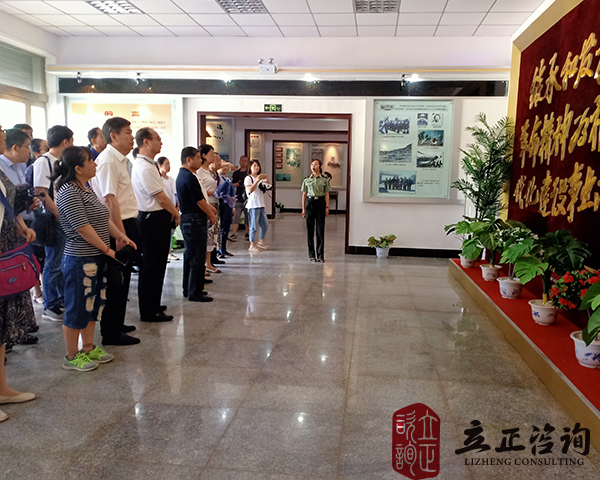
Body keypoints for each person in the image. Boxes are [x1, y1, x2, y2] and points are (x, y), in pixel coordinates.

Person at [53, 146, 137, 372]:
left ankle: (89, 348)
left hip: (95, 257)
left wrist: (120, 236)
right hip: (80, 259)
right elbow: (82, 227)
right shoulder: (68, 191)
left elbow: (102, 218)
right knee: (77, 306)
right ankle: (72, 355)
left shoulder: (86, 188)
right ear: (78, 168)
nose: (95, 164)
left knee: (92, 304)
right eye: (90, 161)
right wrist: (107, 250)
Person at [91, 117, 140, 345]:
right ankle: (111, 333)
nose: (132, 137)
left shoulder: (119, 160)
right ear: (113, 136)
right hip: (116, 227)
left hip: (125, 223)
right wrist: (120, 236)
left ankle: (117, 323)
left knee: (124, 278)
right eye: (128, 132)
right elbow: (109, 200)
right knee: (115, 280)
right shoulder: (108, 160)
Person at [0, 125, 37, 422]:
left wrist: (21, 227)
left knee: (2, 323)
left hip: (6, 247)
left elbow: (7, 206)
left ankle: (2, 388)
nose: (3, 136)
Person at [131, 128, 179, 323]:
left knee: (158, 264)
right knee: (152, 265)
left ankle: (153, 303)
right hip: (152, 218)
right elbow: (160, 197)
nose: (161, 142)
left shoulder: (148, 164)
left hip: (155, 217)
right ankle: (149, 310)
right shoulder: (144, 167)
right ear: (146, 142)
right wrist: (176, 213)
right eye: (157, 139)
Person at [0, 130, 42, 337]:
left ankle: (17, 332)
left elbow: (10, 203)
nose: (4, 138)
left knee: (14, 282)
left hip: (11, 234)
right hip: (4, 237)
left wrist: (22, 225)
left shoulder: (15, 168)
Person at [33, 125, 73, 323]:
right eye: (71, 141)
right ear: (65, 142)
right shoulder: (44, 161)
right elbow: (40, 192)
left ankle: (59, 299)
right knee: (53, 262)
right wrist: (58, 213)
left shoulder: (61, 162)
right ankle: (49, 306)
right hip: (53, 219)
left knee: (61, 261)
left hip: (63, 217)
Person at [176, 147, 217, 302]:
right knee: (197, 257)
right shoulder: (189, 177)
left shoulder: (183, 175)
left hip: (189, 218)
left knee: (190, 256)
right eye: (198, 157)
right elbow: (199, 201)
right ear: (189, 160)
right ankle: (195, 292)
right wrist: (211, 214)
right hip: (194, 219)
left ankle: (188, 288)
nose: (201, 160)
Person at [196, 144, 221, 274]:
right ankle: (205, 263)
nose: (213, 156)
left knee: (213, 235)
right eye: (211, 153)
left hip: (215, 204)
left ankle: (209, 261)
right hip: (207, 205)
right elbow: (200, 192)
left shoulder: (210, 171)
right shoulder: (199, 172)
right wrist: (214, 193)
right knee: (207, 235)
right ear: (204, 155)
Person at [301, 159, 331, 263]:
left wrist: (327, 207)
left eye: (316, 164)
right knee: (310, 231)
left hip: (320, 203)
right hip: (310, 203)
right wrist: (303, 208)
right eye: (312, 164)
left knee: (320, 230)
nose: (314, 166)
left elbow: (327, 194)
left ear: (320, 166)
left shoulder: (324, 179)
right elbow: (304, 194)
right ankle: (311, 255)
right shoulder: (306, 180)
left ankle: (320, 255)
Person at [157, 156, 179, 262]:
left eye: (169, 164)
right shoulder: (159, 180)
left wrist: (177, 207)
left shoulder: (171, 180)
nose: (168, 166)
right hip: (164, 209)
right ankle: (164, 253)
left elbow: (176, 195)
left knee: (171, 231)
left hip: (173, 208)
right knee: (163, 232)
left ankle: (169, 252)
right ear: (160, 166)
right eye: (166, 164)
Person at [244, 160, 270, 252]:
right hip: (253, 205)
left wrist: (267, 180)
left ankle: (261, 241)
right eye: (254, 165)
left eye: (258, 165)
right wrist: (257, 181)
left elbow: (267, 188)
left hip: (261, 204)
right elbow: (250, 190)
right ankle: (252, 244)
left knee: (264, 224)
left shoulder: (260, 178)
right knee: (253, 226)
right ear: (250, 167)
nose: (256, 167)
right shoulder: (248, 178)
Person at [230, 155, 249, 241]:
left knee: (248, 217)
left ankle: (248, 233)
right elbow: (232, 184)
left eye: (245, 161)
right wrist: (238, 184)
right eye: (242, 160)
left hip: (247, 198)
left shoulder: (248, 174)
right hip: (238, 197)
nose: (243, 162)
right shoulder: (236, 173)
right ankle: (234, 233)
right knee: (236, 216)